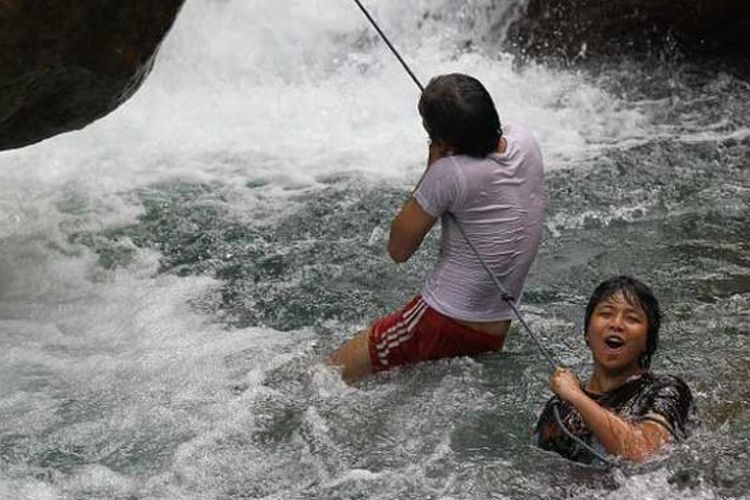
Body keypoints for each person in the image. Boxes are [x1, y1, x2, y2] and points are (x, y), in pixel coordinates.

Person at [328, 73, 544, 382]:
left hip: (445, 317)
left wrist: (432, 166)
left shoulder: (448, 173)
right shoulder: (525, 140)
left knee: (330, 373)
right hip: (497, 324)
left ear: (445, 143)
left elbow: (398, 249)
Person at [535, 276, 694, 464]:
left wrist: (577, 397)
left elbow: (645, 452)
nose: (616, 324)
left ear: (647, 342)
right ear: (587, 334)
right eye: (606, 314)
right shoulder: (559, 408)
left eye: (632, 318)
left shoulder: (666, 391)